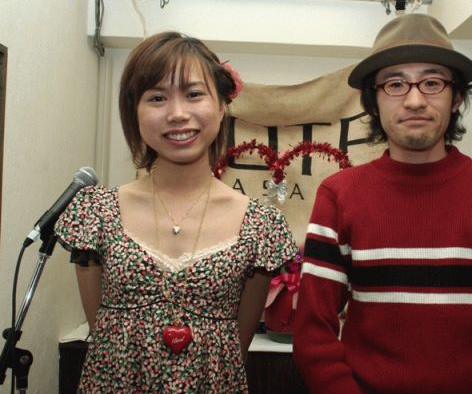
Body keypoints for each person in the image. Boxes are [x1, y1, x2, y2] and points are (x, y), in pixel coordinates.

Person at [293, 14, 472, 393]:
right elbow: (313, 334)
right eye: (395, 84)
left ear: (456, 97)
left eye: (432, 83)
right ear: (373, 101)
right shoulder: (338, 195)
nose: (415, 101)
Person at [55, 31, 297, 392]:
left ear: (221, 105)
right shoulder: (96, 212)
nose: (177, 114)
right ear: (134, 111)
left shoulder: (261, 225)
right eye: (157, 98)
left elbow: (235, 350)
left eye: (194, 94)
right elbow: (103, 334)